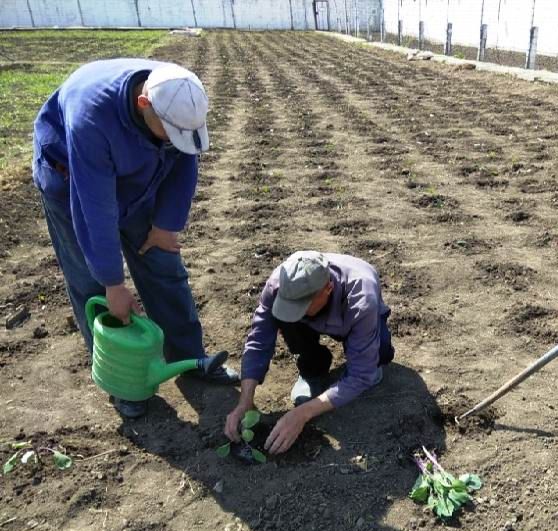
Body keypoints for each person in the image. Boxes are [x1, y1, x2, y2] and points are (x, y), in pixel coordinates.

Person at [32, 59, 239, 418]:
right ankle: (120, 382)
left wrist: (165, 226)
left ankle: (188, 358)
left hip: (139, 173)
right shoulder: (92, 119)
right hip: (71, 178)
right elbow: (93, 208)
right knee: (92, 283)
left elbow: (185, 156)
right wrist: (113, 283)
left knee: (163, 264)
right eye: (169, 130)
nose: (177, 137)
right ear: (144, 104)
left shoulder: (176, 93)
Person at [224, 251, 395, 455]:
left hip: (354, 317)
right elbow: (259, 340)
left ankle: (372, 363)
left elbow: (360, 375)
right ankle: (313, 369)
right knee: (287, 319)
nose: (293, 310)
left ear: (328, 289)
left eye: (301, 305)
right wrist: (245, 401)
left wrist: (302, 414)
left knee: (378, 354)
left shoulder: (361, 300)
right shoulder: (280, 284)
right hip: (315, 315)